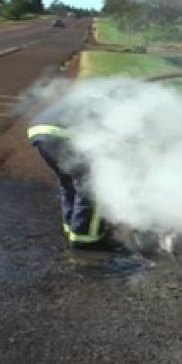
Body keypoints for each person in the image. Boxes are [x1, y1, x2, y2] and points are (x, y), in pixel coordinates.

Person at [27, 94, 112, 250]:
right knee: (91, 185)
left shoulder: (92, 98)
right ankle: (86, 239)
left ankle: (71, 228)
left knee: (68, 181)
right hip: (61, 135)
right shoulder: (116, 109)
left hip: (38, 132)